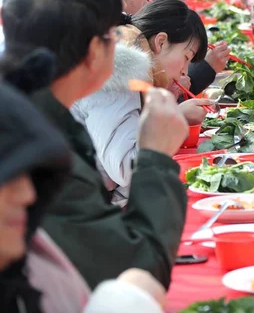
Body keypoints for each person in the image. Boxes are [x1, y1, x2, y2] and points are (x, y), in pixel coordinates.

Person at [1, 0, 188, 290]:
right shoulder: (40, 152)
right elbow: (138, 270)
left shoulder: (35, 111)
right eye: (112, 34)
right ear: (94, 51)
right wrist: (155, 155)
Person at [0, 77, 167, 313]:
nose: (27, 194)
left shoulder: (38, 258)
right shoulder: (118, 87)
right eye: (8, 176)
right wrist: (157, 152)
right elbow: (125, 167)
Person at [71, 0, 209, 201]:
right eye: (186, 58)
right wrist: (170, 118)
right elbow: (127, 168)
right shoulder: (120, 71)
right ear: (161, 41)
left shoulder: (123, 58)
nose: (184, 71)